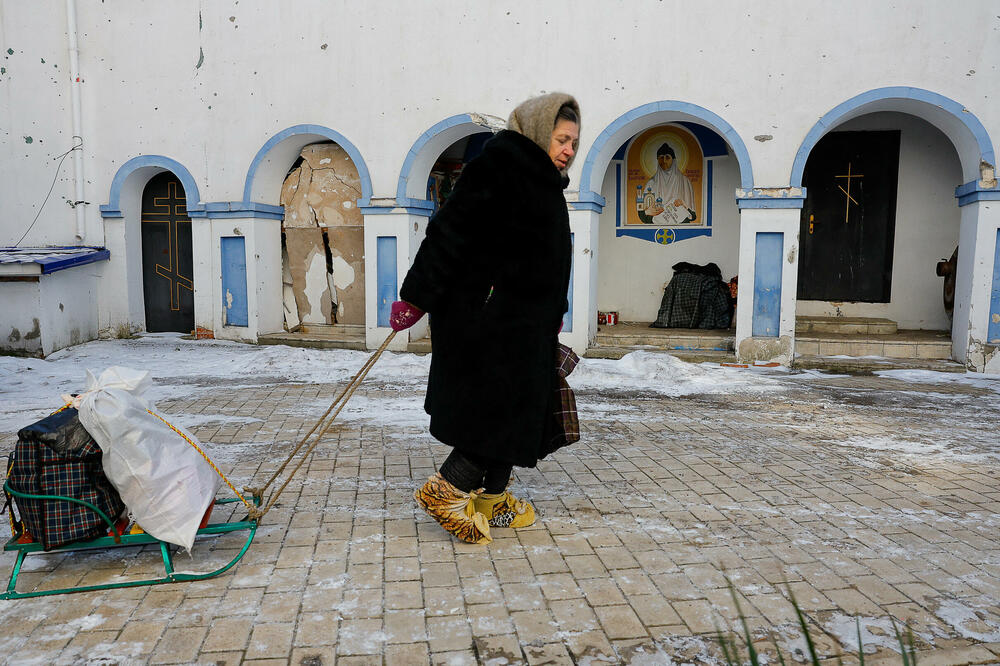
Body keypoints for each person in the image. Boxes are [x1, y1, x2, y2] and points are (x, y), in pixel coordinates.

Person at [387, 93, 580, 544]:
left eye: (574, 140)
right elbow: (448, 234)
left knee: (523, 408)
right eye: (562, 138)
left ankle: (492, 500)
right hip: (487, 320)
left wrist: (552, 314)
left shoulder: (543, 180)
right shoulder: (498, 169)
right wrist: (417, 297)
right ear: (536, 132)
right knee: (499, 410)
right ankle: (448, 490)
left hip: (523, 321)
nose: (569, 149)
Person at [638, 143, 697, 225]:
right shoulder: (651, 183)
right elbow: (643, 217)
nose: (664, 161)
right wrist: (647, 212)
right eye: (661, 158)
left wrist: (683, 205)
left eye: (667, 157)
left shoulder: (684, 182)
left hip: (680, 228)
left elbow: (693, 216)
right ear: (657, 160)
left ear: (674, 160)